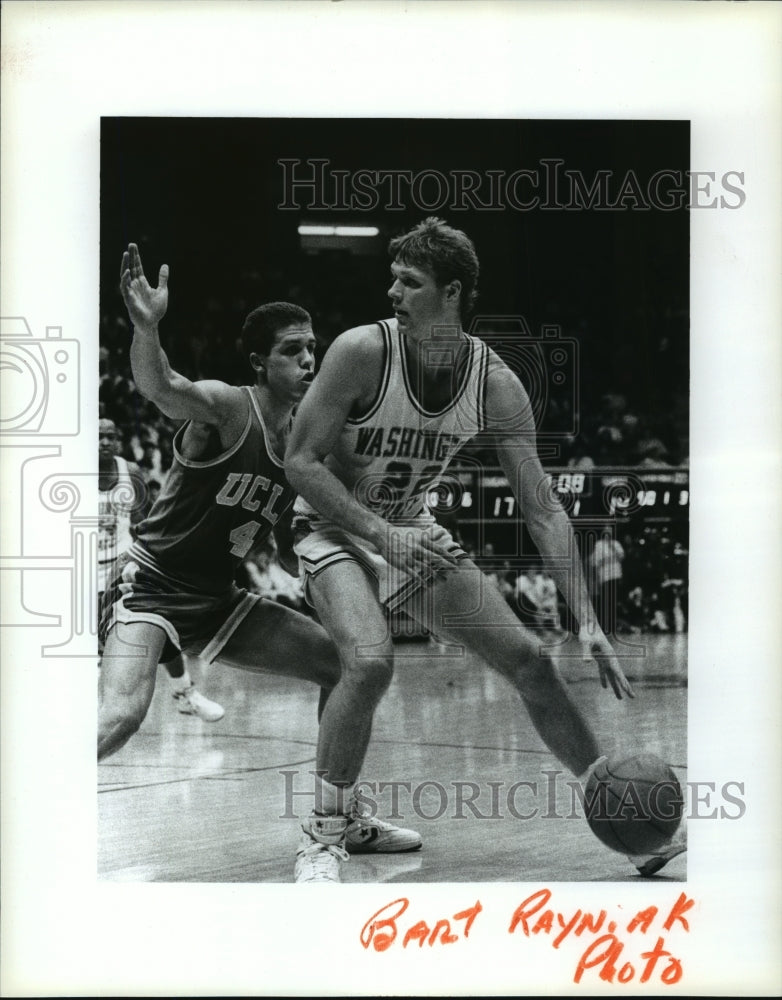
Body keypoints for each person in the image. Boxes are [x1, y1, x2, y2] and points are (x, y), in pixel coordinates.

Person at [286, 217, 685, 880]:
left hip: (413, 532)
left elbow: (541, 508)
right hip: (330, 527)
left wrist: (587, 618)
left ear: (453, 294)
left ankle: (622, 813)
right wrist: (382, 534)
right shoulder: (360, 351)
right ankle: (324, 837)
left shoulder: (495, 384)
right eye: (392, 278)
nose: (392, 292)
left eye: (409, 282)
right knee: (371, 661)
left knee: (530, 661)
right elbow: (301, 462)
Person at [99, 244, 421, 878]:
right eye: (292, 350)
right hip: (152, 588)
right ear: (259, 362)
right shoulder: (225, 406)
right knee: (123, 714)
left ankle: (343, 818)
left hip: (220, 601)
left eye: (312, 348)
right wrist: (146, 328)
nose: (308, 359)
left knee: (345, 666)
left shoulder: (310, 438)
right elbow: (161, 385)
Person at [99, 417, 225, 721]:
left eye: (111, 436)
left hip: (123, 565)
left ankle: (186, 694)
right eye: (99, 436)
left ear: (119, 440)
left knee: (161, 625)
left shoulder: (130, 472)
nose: (105, 442)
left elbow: (145, 522)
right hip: (82, 570)